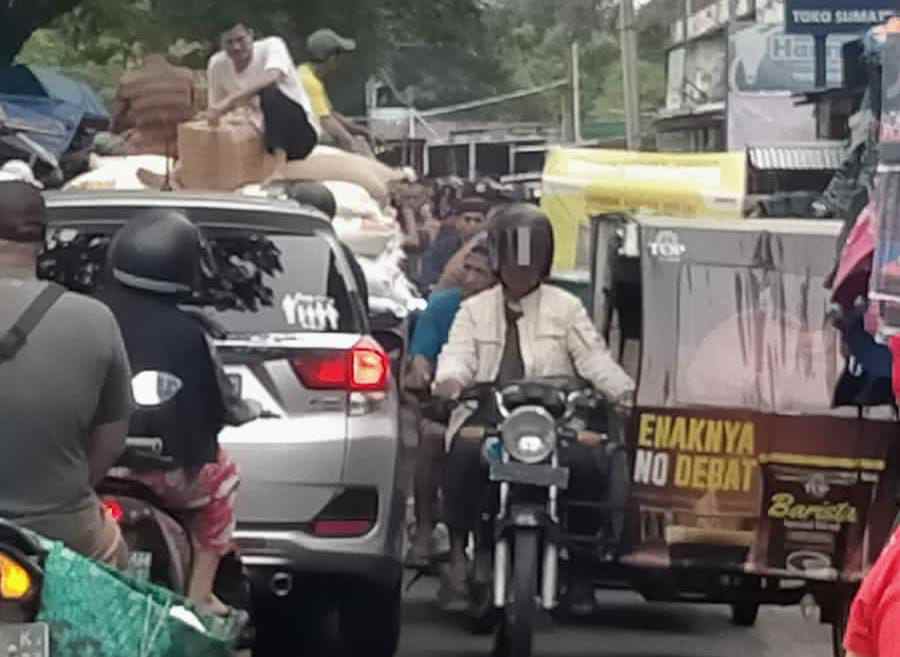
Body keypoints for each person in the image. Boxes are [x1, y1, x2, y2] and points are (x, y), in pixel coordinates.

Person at [433, 204, 635, 611]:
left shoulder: (567, 308)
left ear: (543, 264)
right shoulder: (474, 310)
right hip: (493, 413)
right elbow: (456, 357)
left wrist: (622, 393)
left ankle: (580, 571)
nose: (520, 274)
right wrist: (450, 382)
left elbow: (593, 358)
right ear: (498, 262)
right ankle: (469, 555)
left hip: (555, 417)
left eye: (529, 266)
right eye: (513, 265)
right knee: (465, 453)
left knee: (589, 459)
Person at [98, 209, 257, 614]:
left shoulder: (87, 317)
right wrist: (246, 410)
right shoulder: (192, 334)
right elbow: (221, 404)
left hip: (90, 468)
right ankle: (200, 594)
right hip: (169, 476)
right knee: (224, 481)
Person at [0, 172, 132, 568]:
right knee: (124, 600)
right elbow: (110, 438)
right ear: (43, 241)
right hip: (61, 528)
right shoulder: (95, 319)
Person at [404, 239, 497, 566]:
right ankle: (426, 531)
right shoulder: (444, 306)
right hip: (454, 403)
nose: (468, 278)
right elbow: (421, 359)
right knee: (431, 438)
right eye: (467, 269)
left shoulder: (513, 312)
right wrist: (424, 376)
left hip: (504, 412)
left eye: (480, 272)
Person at [207, 23, 320, 182]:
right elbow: (215, 107)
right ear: (221, 43)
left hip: (297, 133)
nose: (237, 47)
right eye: (229, 43)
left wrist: (231, 99)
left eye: (241, 40)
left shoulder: (272, 46)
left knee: (269, 93)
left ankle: (279, 168)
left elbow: (272, 76)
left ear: (251, 35)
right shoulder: (217, 64)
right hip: (258, 133)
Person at [298, 29, 374, 156]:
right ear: (331, 58)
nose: (343, 62)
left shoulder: (307, 72)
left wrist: (359, 130)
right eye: (341, 56)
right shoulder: (309, 81)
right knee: (358, 145)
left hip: (305, 138)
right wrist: (353, 145)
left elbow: (329, 113)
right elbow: (326, 121)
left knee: (359, 140)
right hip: (302, 143)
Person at [419, 187, 491, 292]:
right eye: (467, 219)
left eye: (478, 220)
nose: (472, 224)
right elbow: (428, 277)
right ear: (457, 221)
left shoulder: (493, 249)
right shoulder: (442, 246)